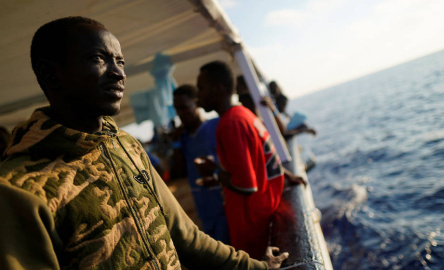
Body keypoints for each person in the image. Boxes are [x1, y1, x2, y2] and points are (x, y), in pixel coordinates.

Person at [0, 16, 288, 269]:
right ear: (52, 73)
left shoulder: (127, 146)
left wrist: (256, 267)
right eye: (98, 58)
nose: (118, 73)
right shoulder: (18, 189)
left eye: (120, 61)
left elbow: (186, 237)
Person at [196, 61, 285, 260]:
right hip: (265, 212)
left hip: (253, 227)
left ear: (217, 88)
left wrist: (215, 173)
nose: (198, 97)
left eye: (201, 89)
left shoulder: (230, 124)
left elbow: (246, 186)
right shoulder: (244, 114)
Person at [170, 84, 229, 244]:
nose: (180, 114)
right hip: (204, 208)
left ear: (197, 104)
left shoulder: (217, 125)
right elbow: (180, 172)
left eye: (184, 108)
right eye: (177, 109)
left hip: (226, 204)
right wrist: (176, 144)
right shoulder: (183, 138)